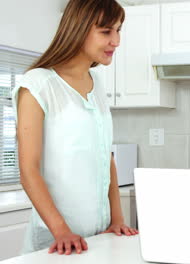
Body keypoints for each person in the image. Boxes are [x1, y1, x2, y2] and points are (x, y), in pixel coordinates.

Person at [13, 0, 137, 255]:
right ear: (79, 29)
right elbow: (28, 169)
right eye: (106, 31)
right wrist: (62, 232)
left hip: (100, 238)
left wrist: (116, 220)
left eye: (118, 30)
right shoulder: (38, 84)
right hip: (57, 242)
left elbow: (107, 159)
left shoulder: (98, 84)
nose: (116, 41)